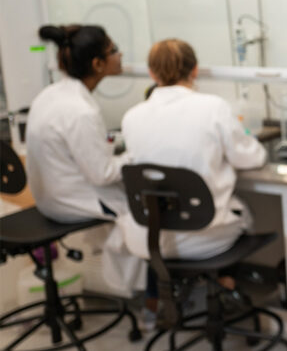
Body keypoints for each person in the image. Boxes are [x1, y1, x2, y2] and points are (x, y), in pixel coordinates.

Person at [119, 39, 267, 262]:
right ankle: (225, 280)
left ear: (151, 73)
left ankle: (214, 284)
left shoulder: (131, 116)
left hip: (150, 239)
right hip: (205, 240)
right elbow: (251, 158)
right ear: (195, 70)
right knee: (247, 214)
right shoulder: (213, 108)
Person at [26, 24, 144, 294]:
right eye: (113, 50)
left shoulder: (50, 95)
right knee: (145, 207)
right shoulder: (81, 112)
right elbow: (101, 174)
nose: (120, 54)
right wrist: (136, 155)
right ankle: (144, 297)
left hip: (49, 198)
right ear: (98, 64)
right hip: (69, 201)